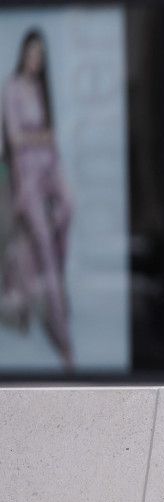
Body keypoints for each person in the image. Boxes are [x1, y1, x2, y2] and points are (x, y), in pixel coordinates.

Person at [1, 28, 74, 368]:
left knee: (69, 210)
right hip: (28, 176)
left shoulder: (42, 88)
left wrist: (47, 144)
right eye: (33, 53)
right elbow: (15, 139)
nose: (37, 60)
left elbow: (50, 139)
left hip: (48, 166)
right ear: (24, 53)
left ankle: (54, 276)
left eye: (41, 55)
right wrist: (42, 136)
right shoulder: (12, 88)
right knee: (43, 248)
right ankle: (64, 343)